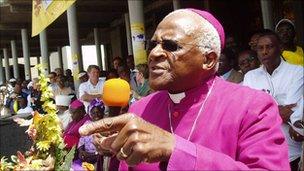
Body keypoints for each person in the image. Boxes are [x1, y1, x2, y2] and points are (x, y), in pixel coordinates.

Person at [79, 9, 289, 170]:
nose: (154, 53)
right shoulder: (140, 110)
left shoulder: (253, 106)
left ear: (208, 59)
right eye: (152, 45)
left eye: (170, 46)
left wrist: (177, 151)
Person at [243, 29, 303, 171]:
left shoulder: (297, 72)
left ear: (280, 48)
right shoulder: (250, 77)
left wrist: (262, 112)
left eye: (269, 47)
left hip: (293, 152)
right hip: (264, 153)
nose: (264, 52)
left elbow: (294, 113)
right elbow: (247, 114)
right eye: (260, 48)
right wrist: (281, 110)